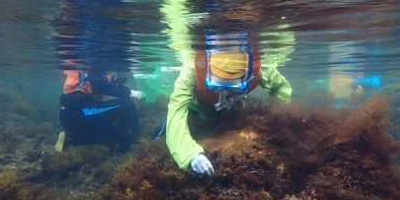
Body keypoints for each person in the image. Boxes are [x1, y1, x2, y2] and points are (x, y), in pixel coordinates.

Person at [166, 40, 292, 176]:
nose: (224, 95)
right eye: (217, 87)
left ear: (248, 74)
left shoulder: (261, 67)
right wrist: (189, 154)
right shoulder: (191, 72)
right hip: (199, 108)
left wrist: (273, 125)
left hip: (235, 110)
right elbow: (176, 112)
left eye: (234, 88)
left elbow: (281, 89)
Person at [55, 69, 145, 152]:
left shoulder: (91, 69)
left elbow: (107, 85)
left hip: (75, 117)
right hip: (78, 114)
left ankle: (70, 139)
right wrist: (131, 93)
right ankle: (138, 138)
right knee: (127, 104)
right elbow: (99, 85)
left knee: (119, 133)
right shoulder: (96, 63)